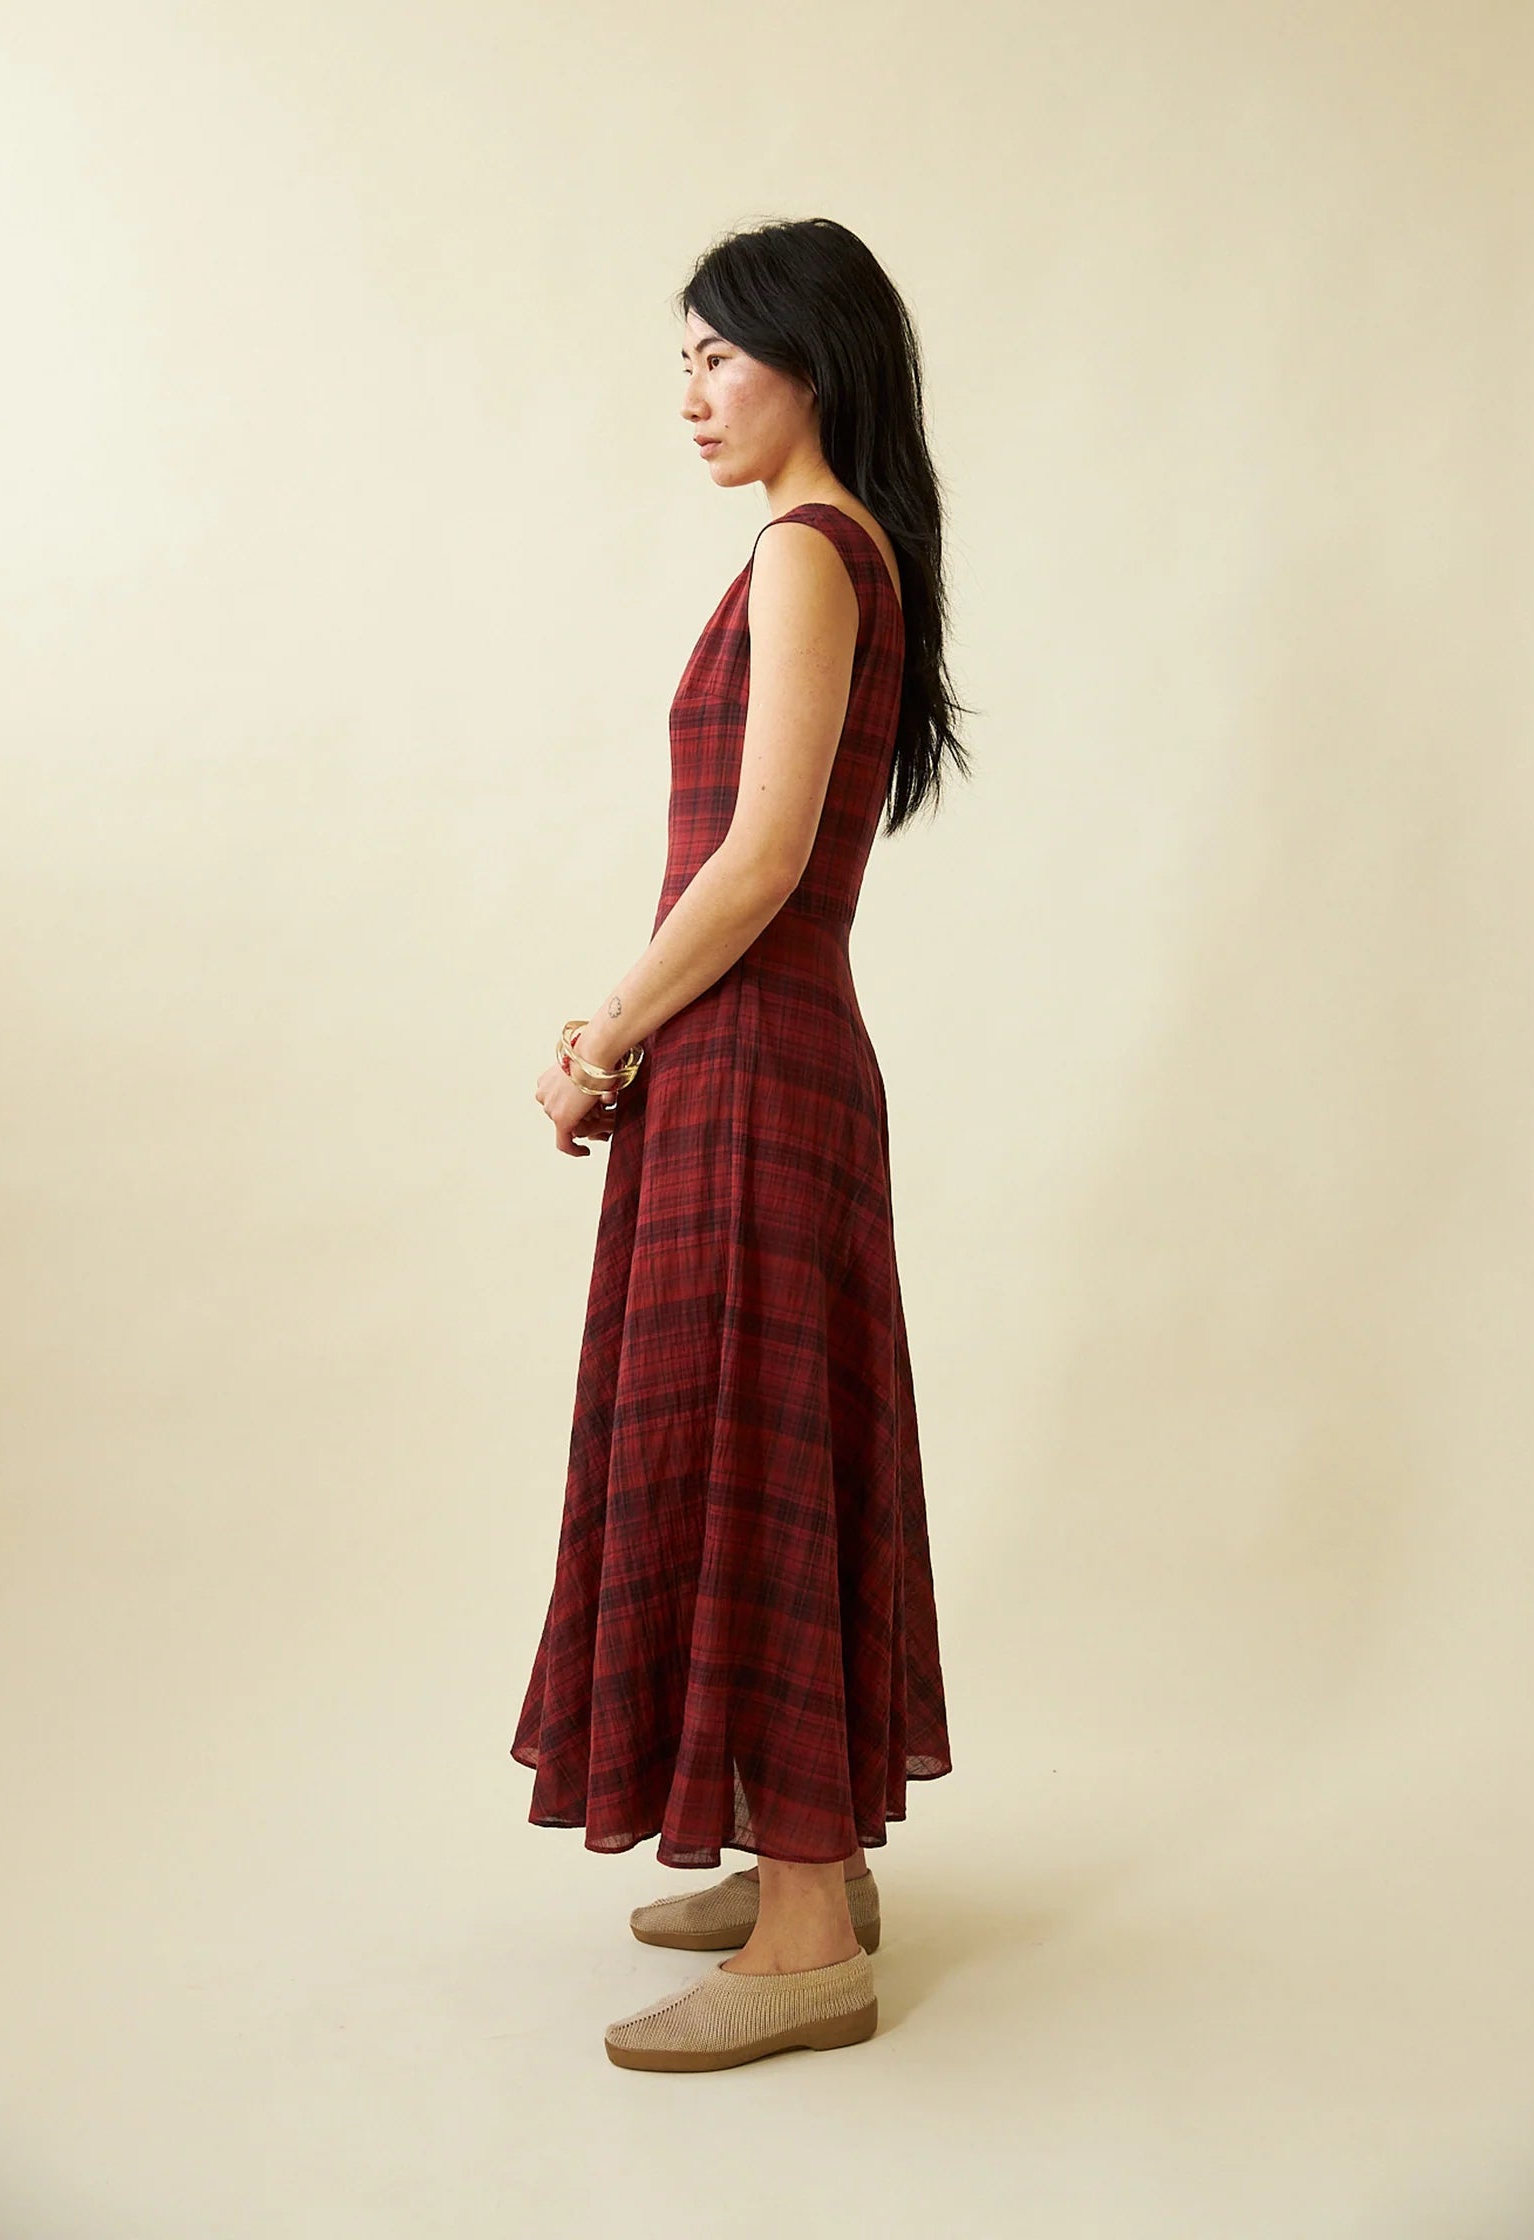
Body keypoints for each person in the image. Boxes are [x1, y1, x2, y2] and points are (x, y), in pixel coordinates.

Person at [515, 216, 971, 2071]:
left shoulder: (804, 547)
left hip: (756, 1066)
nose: (692, 395)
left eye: (718, 356)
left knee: (750, 1449)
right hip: (771, 1060)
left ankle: (802, 1943)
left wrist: (601, 1033)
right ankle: (815, 1862)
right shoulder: (842, 550)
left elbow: (761, 859)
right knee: (766, 1444)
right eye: (684, 364)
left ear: (811, 357)